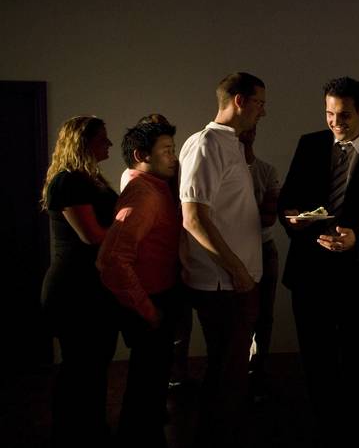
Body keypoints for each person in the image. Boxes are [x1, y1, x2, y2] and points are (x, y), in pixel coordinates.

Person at [278, 76, 359, 443]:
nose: (335, 122)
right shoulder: (309, 145)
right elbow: (287, 200)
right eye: (329, 113)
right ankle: (324, 427)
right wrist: (293, 217)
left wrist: (358, 238)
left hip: (358, 276)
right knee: (317, 360)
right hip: (309, 273)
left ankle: (354, 428)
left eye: (344, 114)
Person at [179, 72, 265, 448]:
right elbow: (193, 218)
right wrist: (238, 271)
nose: (263, 112)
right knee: (226, 376)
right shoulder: (206, 144)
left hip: (236, 281)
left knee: (232, 374)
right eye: (260, 103)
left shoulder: (232, 144)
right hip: (223, 284)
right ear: (239, 101)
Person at [96, 121, 181, 448]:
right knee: (146, 390)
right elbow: (112, 260)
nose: (174, 157)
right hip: (150, 301)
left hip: (158, 296)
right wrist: (148, 310)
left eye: (173, 150)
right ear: (141, 155)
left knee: (150, 388)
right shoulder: (144, 193)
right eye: (167, 151)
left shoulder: (154, 186)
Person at [40, 116, 119, 447]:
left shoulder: (90, 179)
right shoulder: (69, 181)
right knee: (79, 367)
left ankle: (91, 429)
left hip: (92, 287)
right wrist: (129, 227)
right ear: (82, 143)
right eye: (103, 139)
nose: (109, 144)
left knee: (95, 364)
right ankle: (70, 434)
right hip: (74, 289)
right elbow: (91, 235)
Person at [238, 126, 281, 401]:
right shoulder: (226, 171)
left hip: (263, 248)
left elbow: (269, 217)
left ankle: (258, 371)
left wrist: (234, 213)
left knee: (264, 315)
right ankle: (240, 373)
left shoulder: (266, 170)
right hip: (236, 250)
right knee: (240, 316)